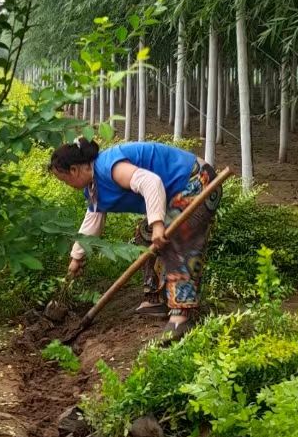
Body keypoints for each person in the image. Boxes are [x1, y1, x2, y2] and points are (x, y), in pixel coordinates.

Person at [48, 136, 222, 340]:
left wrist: (158, 225)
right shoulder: (93, 187)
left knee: (176, 239)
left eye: (64, 179)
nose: (66, 184)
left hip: (198, 182)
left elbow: (151, 182)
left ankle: (181, 315)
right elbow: (92, 221)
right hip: (176, 194)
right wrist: (76, 258)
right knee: (145, 234)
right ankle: (156, 298)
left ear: (74, 170)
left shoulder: (108, 166)